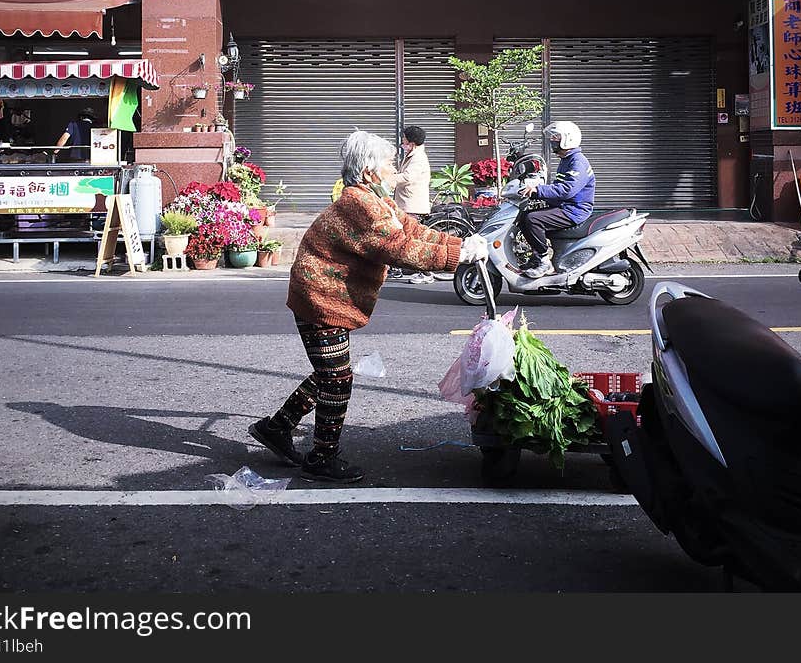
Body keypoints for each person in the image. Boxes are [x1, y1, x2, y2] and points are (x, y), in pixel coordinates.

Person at [247, 130, 489, 484]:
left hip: (326, 295)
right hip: (320, 298)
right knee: (337, 379)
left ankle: (277, 428)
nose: (394, 170)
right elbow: (398, 249)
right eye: (389, 164)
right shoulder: (358, 205)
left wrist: (461, 243)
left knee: (330, 372)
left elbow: (411, 230)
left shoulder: (375, 199)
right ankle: (322, 458)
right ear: (369, 172)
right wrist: (458, 255)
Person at [518, 120, 595, 279]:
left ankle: (545, 262)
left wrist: (538, 191)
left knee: (533, 220)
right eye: (553, 137)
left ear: (568, 139)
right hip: (565, 206)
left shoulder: (577, 162)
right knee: (524, 216)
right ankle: (537, 257)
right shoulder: (567, 159)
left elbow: (567, 190)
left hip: (574, 210)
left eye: (557, 137)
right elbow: (559, 186)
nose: (553, 140)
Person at [389, 125, 433, 283]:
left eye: (404, 140)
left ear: (412, 143)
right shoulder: (412, 155)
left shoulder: (418, 158)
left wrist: (389, 178)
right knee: (404, 237)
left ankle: (426, 273)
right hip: (406, 203)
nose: (402, 142)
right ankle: (398, 269)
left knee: (413, 239)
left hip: (412, 204)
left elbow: (408, 177)